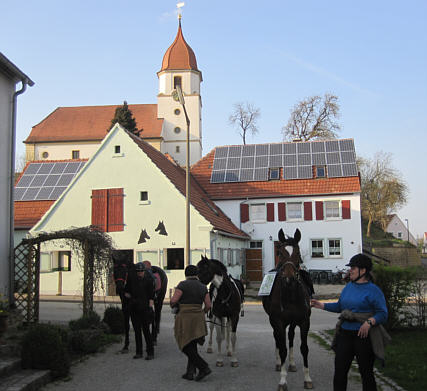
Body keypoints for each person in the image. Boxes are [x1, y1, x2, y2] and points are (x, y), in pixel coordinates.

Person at [311, 253, 388, 391]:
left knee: (366, 373)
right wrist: (321, 305)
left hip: (363, 337)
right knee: (340, 372)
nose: (350, 270)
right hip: (345, 334)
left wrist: (369, 322)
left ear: (363, 271)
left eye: (353, 268)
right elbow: (341, 307)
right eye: (350, 267)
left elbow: (383, 313)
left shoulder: (374, 291)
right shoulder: (348, 287)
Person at [170, 265, 212, 382]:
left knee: (184, 344)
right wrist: (202, 313)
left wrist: (173, 305)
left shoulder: (182, 285)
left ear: (186, 274)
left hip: (185, 317)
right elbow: (208, 305)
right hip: (198, 317)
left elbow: (173, 301)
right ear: (197, 274)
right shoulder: (203, 287)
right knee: (192, 343)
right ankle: (190, 372)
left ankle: (203, 367)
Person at [124, 262, 155, 360]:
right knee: (137, 331)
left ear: (144, 271)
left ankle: (150, 352)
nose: (140, 273)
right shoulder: (131, 280)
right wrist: (129, 296)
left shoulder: (149, 280)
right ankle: (139, 352)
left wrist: (150, 308)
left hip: (145, 308)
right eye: (138, 271)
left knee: (146, 331)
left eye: (141, 271)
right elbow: (126, 292)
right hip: (134, 308)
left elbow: (151, 296)